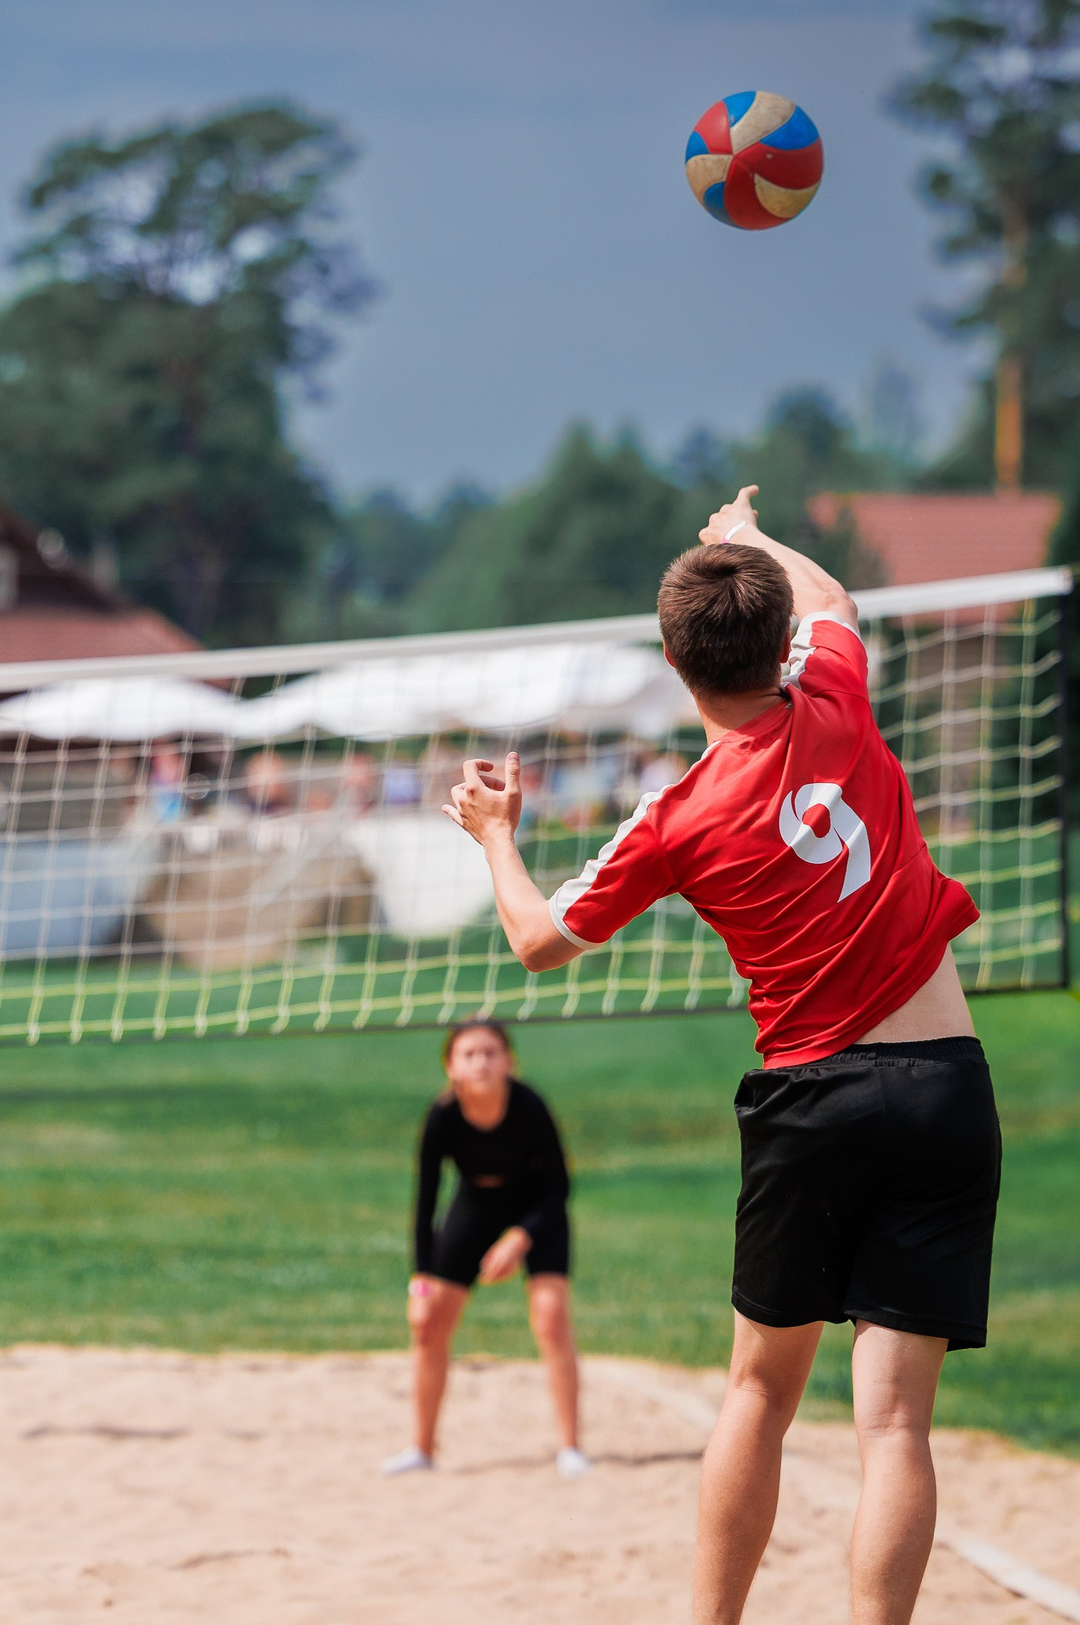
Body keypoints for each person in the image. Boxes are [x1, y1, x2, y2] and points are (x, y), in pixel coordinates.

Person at [442, 484, 1001, 1625]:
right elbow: (833, 594)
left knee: (757, 1393)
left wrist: (496, 837)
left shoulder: (680, 816)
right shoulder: (837, 693)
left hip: (819, 1098)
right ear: (778, 638)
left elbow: (538, 941)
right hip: (946, 1083)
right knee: (895, 1424)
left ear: (671, 659)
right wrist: (742, 538)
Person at [381, 1018, 588, 1480]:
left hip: (536, 1210)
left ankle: (571, 1448)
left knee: (551, 1317)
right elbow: (425, 1203)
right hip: (475, 1206)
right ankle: (421, 1448)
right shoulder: (442, 1115)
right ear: (450, 1067)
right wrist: (419, 1283)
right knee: (429, 1325)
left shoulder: (529, 1105)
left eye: (491, 1052)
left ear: (509, 1062)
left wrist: (518, 1239)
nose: (481, 1062)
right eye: (469, 1054)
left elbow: (559, 1186)